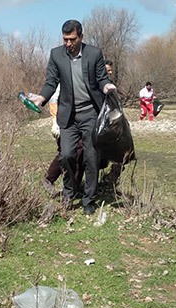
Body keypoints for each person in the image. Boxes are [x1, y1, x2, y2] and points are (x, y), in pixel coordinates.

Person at [33, 19, 116, 215]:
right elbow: (51, 82)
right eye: (65, 40)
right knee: (67, 154)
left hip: (90, 113)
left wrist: (107, 86)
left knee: (91, 157)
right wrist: (42, 97)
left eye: (72, 39)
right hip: (68, 115)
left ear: (81, 37)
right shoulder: (56, 55)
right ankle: (69, 193)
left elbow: (102, 78)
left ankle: (89, 200)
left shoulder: (94, 54)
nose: (68, 44)